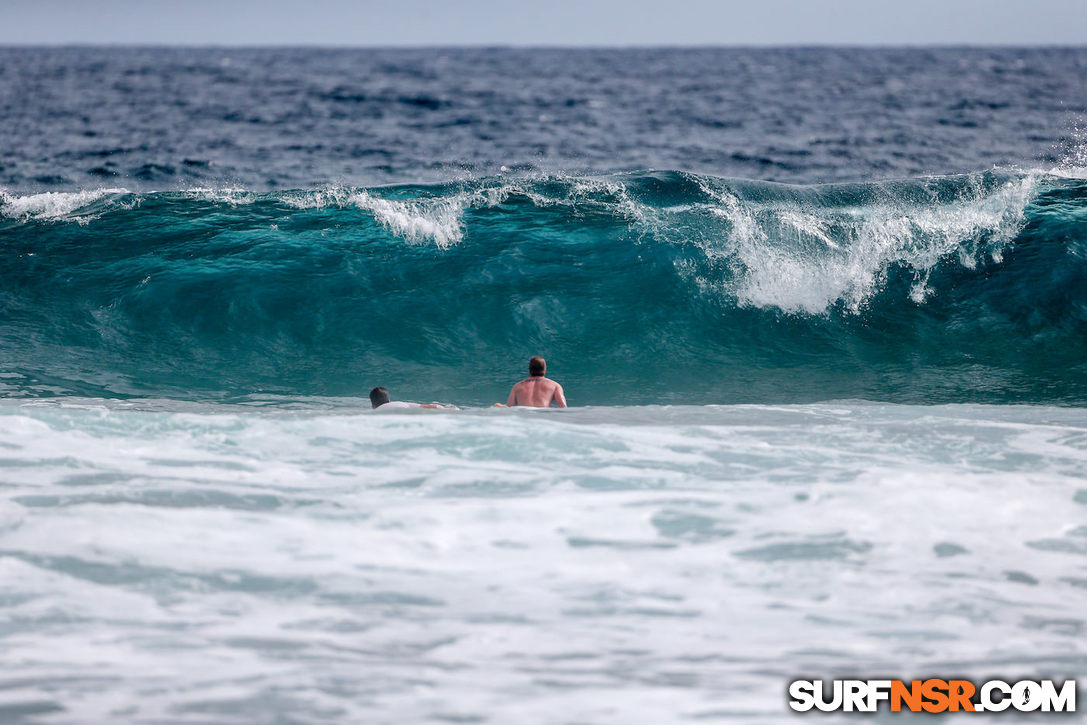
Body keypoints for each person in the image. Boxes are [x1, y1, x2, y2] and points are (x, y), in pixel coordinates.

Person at [499, 356, 567, 408]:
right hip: (542, 416)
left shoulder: (517, 386)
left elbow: (510, 408)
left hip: (524, 417)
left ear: (529, 370)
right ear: (544, 369)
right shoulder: (555, 386)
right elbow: (563, 407)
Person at [369, 387, 444, 410]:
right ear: (389, 400)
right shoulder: (400, 403)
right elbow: (435, 407)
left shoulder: (375, 414)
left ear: (373, 405)